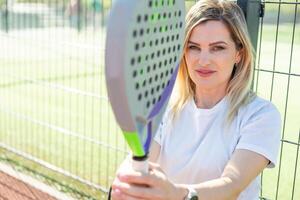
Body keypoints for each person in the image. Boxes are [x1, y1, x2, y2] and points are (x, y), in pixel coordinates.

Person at [110, 0, 281, 199]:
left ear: (239, 54)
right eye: (194, 47)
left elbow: (231, 185)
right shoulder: (164, 108)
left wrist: (179, 194)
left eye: (217, 48)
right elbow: (137, 162)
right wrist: (125, 186)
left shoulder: (261, 115)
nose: (203, 60)